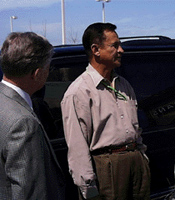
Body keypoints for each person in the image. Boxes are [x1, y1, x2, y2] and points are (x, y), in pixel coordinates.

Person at [61, 23, 150, 200]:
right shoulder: (79, 91)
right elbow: (77, 145)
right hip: (107, 169)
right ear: (96, 50)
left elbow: (135, 127)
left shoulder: (124, 85)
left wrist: (142, 157)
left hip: (135, 163)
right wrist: (88, 187)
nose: (121, 50)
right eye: (114, 45)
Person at [0, 32, 65, 199]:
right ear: (37, 73)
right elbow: (29, 192)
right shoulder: (24, 123)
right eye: (47, 68)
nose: (48, 72)